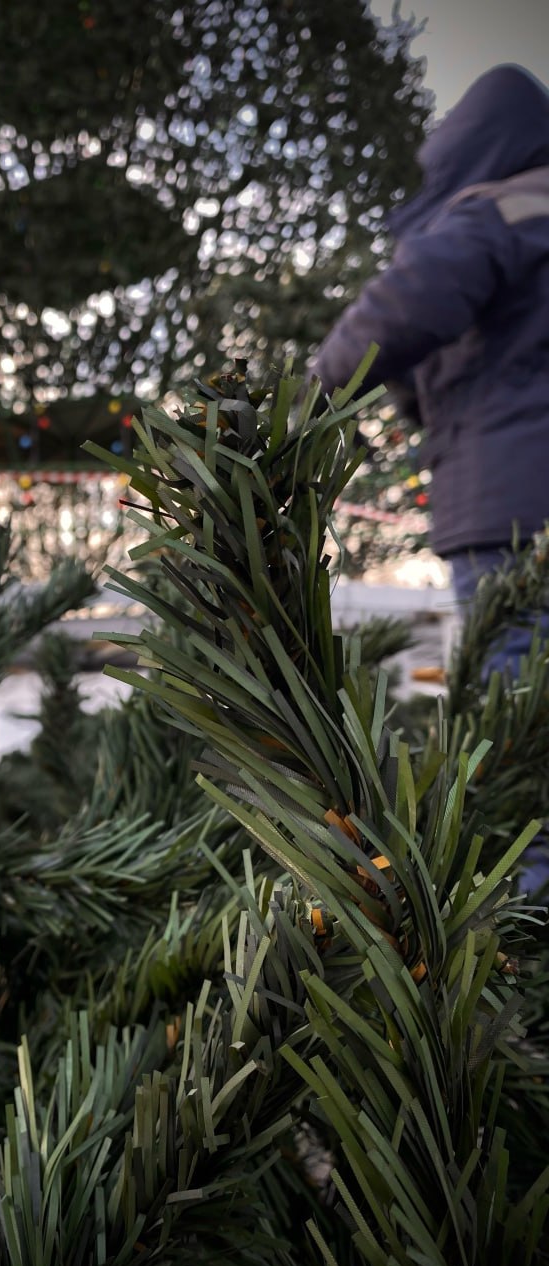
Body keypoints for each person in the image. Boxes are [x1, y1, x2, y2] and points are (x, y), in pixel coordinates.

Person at [310, 64, 549, 892]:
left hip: (512, 517)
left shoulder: (507, 204)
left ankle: (524, 959)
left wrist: (305, 399)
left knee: (516, 745)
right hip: (514, 496)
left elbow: (411, 304)